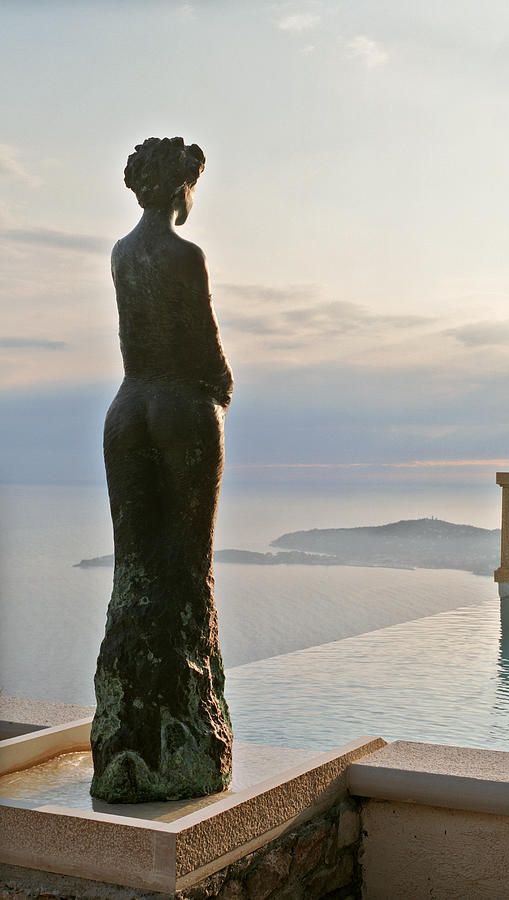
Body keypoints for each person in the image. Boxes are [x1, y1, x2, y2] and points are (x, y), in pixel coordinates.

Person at [90, 137, 233, 803]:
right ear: (179, 187)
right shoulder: (184, 255)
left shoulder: (121, 253)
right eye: (193, 185)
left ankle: (126, 740)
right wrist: (220, 392)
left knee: (134, 575)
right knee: (184, 572)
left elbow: (133, 338)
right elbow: (201, 341)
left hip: (126, 410)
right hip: (179, 406)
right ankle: (183, 742)